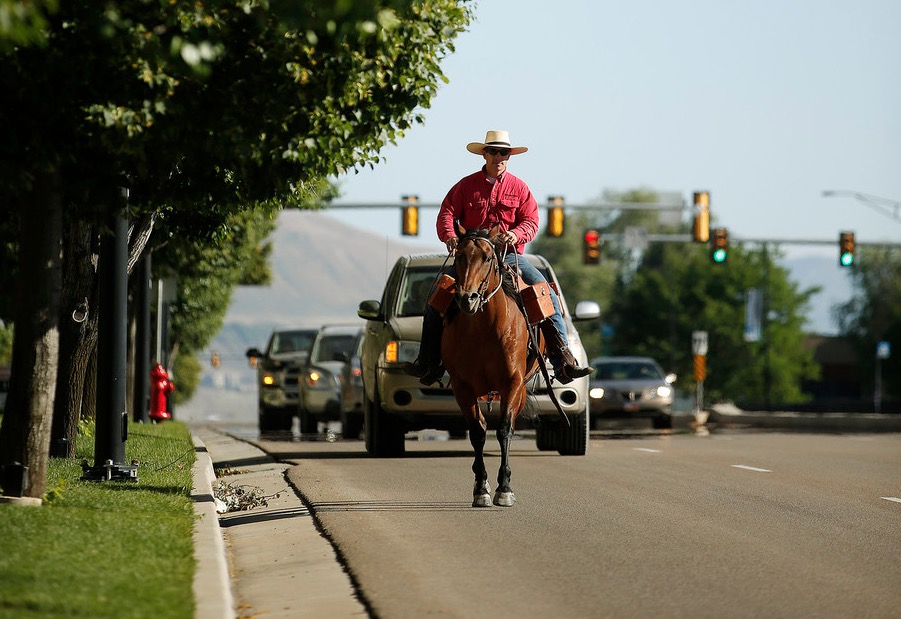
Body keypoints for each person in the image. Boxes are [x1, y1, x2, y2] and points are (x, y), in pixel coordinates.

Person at [403, 129, 593, 386]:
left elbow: (531, 220)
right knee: (436, 300)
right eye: (493, 151)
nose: (499, 156)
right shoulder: (465, 186)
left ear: (509, 156)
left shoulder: (520, 187)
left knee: (544, 294)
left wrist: (516, 234)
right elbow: (447, 212)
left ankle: (562, 361)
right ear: (484, 154)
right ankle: (428, 362)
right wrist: (449, 235)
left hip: (509, 256)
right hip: (472, 258)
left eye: (504, 152)